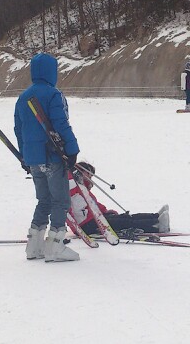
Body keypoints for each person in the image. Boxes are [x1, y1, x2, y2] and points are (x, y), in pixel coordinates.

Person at [15, 53, 81, 262]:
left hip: (33, 158)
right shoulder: (53, 94)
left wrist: (25, 156)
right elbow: (61, 124)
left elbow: (19, 129)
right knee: (60, 201)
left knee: (43, 200)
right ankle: (55, 245)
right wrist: (72, 149)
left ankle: (34, 246)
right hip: (52, 156)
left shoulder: (23, 97)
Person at [68, 162, 170, 236]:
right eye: (88, 174)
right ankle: (157, 226)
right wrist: (76, 229)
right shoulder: (72, 186)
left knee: (125, 217)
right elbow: (66, 208)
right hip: (87, 225)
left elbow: (93, 204)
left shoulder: (83, 189)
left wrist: (105, 211)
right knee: (123, 222)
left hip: (96, 218)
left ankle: (155, 217)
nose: (90, 178)